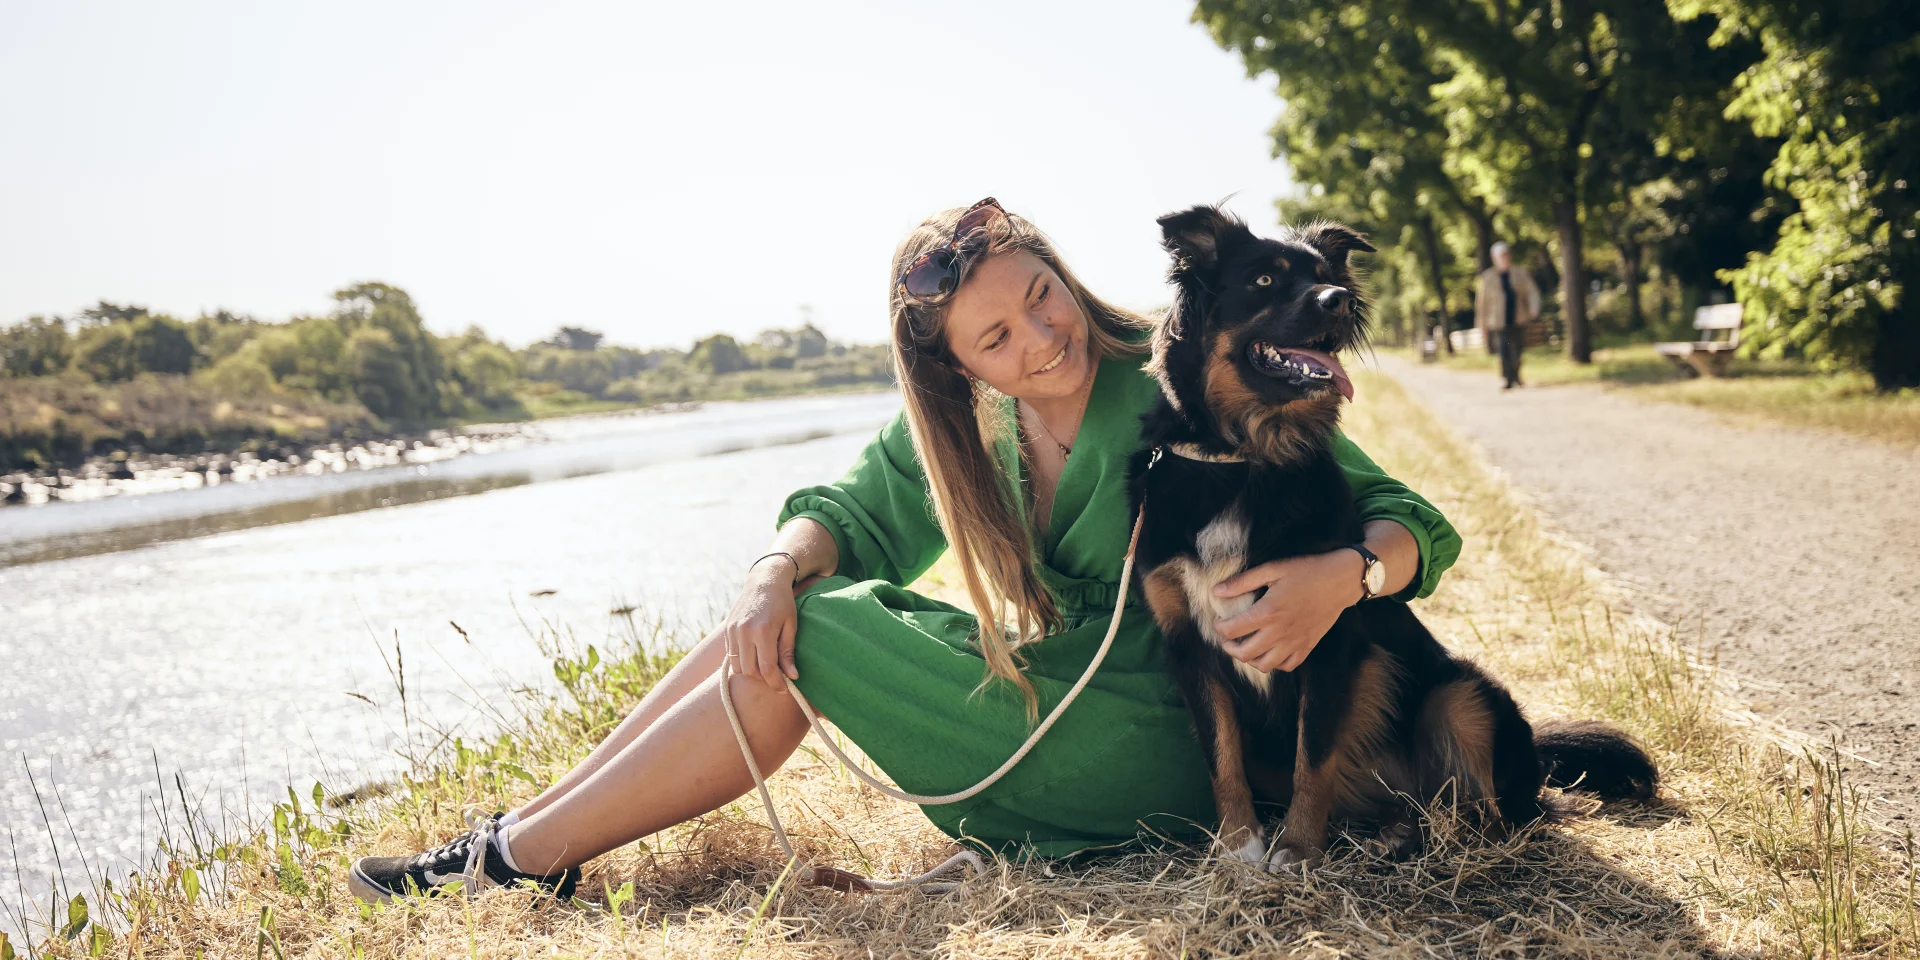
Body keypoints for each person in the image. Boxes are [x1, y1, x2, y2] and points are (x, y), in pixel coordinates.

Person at [348, 199, 1463, 902]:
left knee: (819, 634)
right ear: (959, 368)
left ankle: (517, 859)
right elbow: (849, 515)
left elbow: (1405, 515)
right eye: (997, 338)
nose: (1042, 339)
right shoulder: (972, 432)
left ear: (1064, 274)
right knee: (780, 610)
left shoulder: (1179, 379)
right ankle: (518, 841)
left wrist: (1348, 577)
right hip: (1063, 700)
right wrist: (770, 568)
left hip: (1181, 731)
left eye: (1042, 298)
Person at [1474, 241, 1541, 389]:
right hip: (1498, 321)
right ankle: (1508, 379)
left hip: (1518, 317)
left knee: (1518, 349)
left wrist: (1533, 308)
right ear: (1494, 258)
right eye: (1501, 256)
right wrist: (1482, 326)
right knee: (1504, 350)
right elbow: (1482, 304)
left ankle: (1516, 376)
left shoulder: (1519, 273)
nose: (1504, 258)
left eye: (1505, 255)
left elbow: (1532, 292)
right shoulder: (1488, 277)